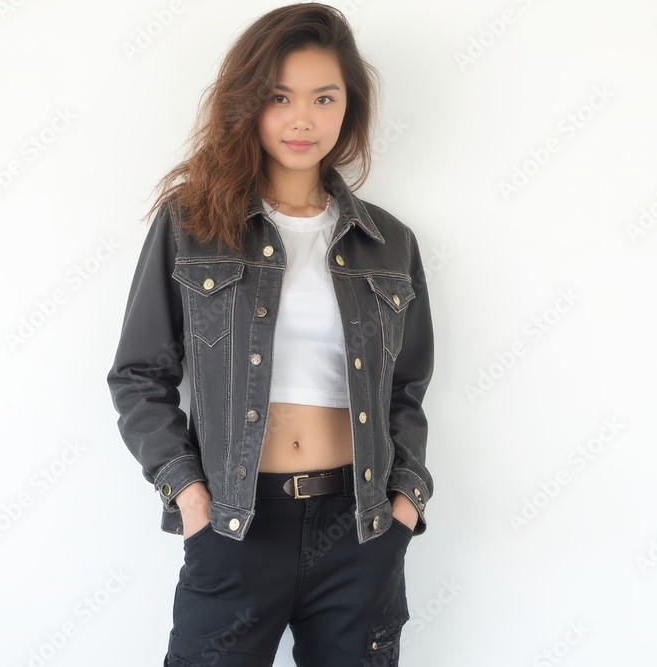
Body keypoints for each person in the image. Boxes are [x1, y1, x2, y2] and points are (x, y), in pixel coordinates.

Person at [107, 3, 435, 665]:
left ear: (349, 108)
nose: (302, 119)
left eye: (324, 98)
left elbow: (405, 389)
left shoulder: (389, 243)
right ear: (248, 103)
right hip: (235, 527)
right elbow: (139, 375)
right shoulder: (192, 223)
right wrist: (190, 497)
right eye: (280, 97)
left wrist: (404, 502)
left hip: (360, 529)